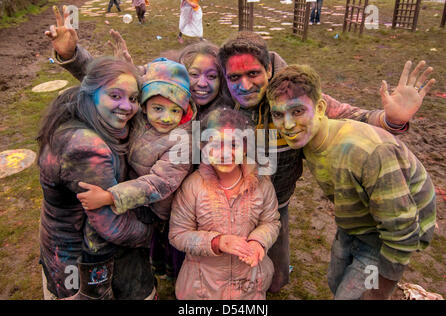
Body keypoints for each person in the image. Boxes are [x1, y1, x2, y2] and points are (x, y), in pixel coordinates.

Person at [216, 31, 435, 293]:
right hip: (237, 199)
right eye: (234, 77)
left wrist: (392, 119)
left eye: (253, 74)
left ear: (269, 69)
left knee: (276, 279)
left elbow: (348, 115)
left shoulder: (289, 96)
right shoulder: (224, 104)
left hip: (278, 203)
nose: (245, 85)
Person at [266, 64, 437, 300]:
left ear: (321, 108)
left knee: (355, 295)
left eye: (297, 111)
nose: (287, 125)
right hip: (354, 225)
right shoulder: (308, 140)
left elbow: (402, 231)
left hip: (383, 235)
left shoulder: (367, 153)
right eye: (278, 114)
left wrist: (379, 292)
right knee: (336, 280)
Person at [37, 57, 156, 300]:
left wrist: (73, 54)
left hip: (77, 248)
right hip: (81, 263)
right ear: (91, 93)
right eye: (115, 96)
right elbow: (111, 225)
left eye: (133, 99)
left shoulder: (86, 116)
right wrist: (153, 233)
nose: (127, 106)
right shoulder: (87, 147)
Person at [76, 58, 195, 282]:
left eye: (175, 110)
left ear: (184, 110)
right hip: (136, 196)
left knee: (163, 244)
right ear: (144, 105)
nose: (166, 117)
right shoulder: (139, 118)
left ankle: (174, 279)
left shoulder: (182, 143)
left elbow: (159, 183)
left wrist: (110, 196)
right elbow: (114, 86)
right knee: (149, 248)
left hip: (156, 207)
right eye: (158, 108)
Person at [169, 108, 280, 299]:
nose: (225, 154)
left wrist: (258, 241)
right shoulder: (192, 187)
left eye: (234, 145)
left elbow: (271, 222)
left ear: (246, 147)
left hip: (249, 283)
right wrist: (217, 242)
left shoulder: (262, 184)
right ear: (202, 147)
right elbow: (178, 234)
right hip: (203, 286)